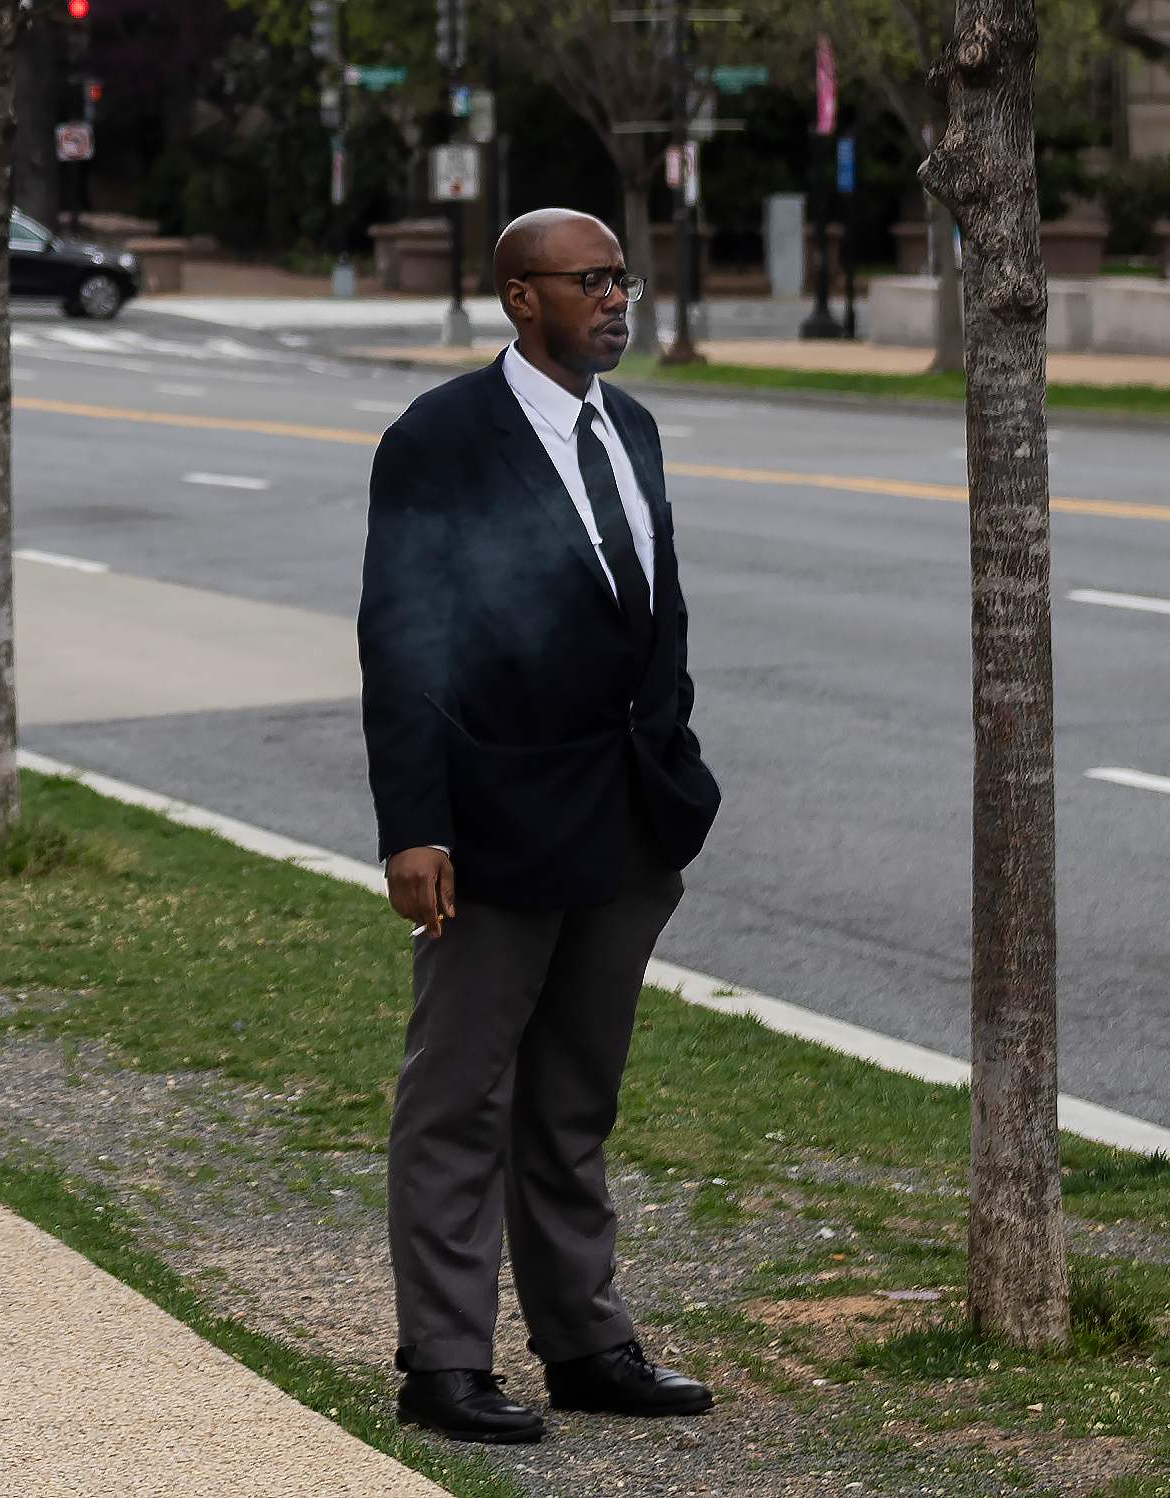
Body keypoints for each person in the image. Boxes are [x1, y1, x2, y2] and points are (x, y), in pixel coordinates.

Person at [357, 206, 721, 1444]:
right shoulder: (440, 437)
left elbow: (653, 610)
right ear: (521, 296)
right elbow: (400, 638)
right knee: (458, 1097)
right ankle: (442, 1361)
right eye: (590, 280)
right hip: (495, 820)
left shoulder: (633, 426)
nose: (617, 298)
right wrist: (415, 824)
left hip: (623, 813)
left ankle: (582, 1340)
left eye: (622, 277)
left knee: (573, 1095)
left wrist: (671, 752)